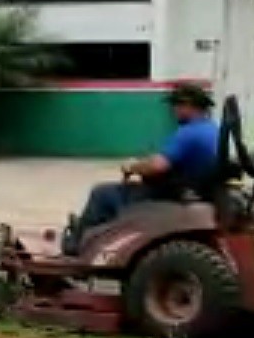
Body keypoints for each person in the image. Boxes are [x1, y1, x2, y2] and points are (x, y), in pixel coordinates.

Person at [63, 83, 221, 254]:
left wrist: (132, 166)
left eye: (176, 105)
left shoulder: (189, 133)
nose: (173, 109)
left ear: (189, 106)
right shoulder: (212, 129)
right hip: (192, 190)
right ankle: (91, 233)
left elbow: (158, 165)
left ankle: (78, 244)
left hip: (170, 195)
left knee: (102, 193)